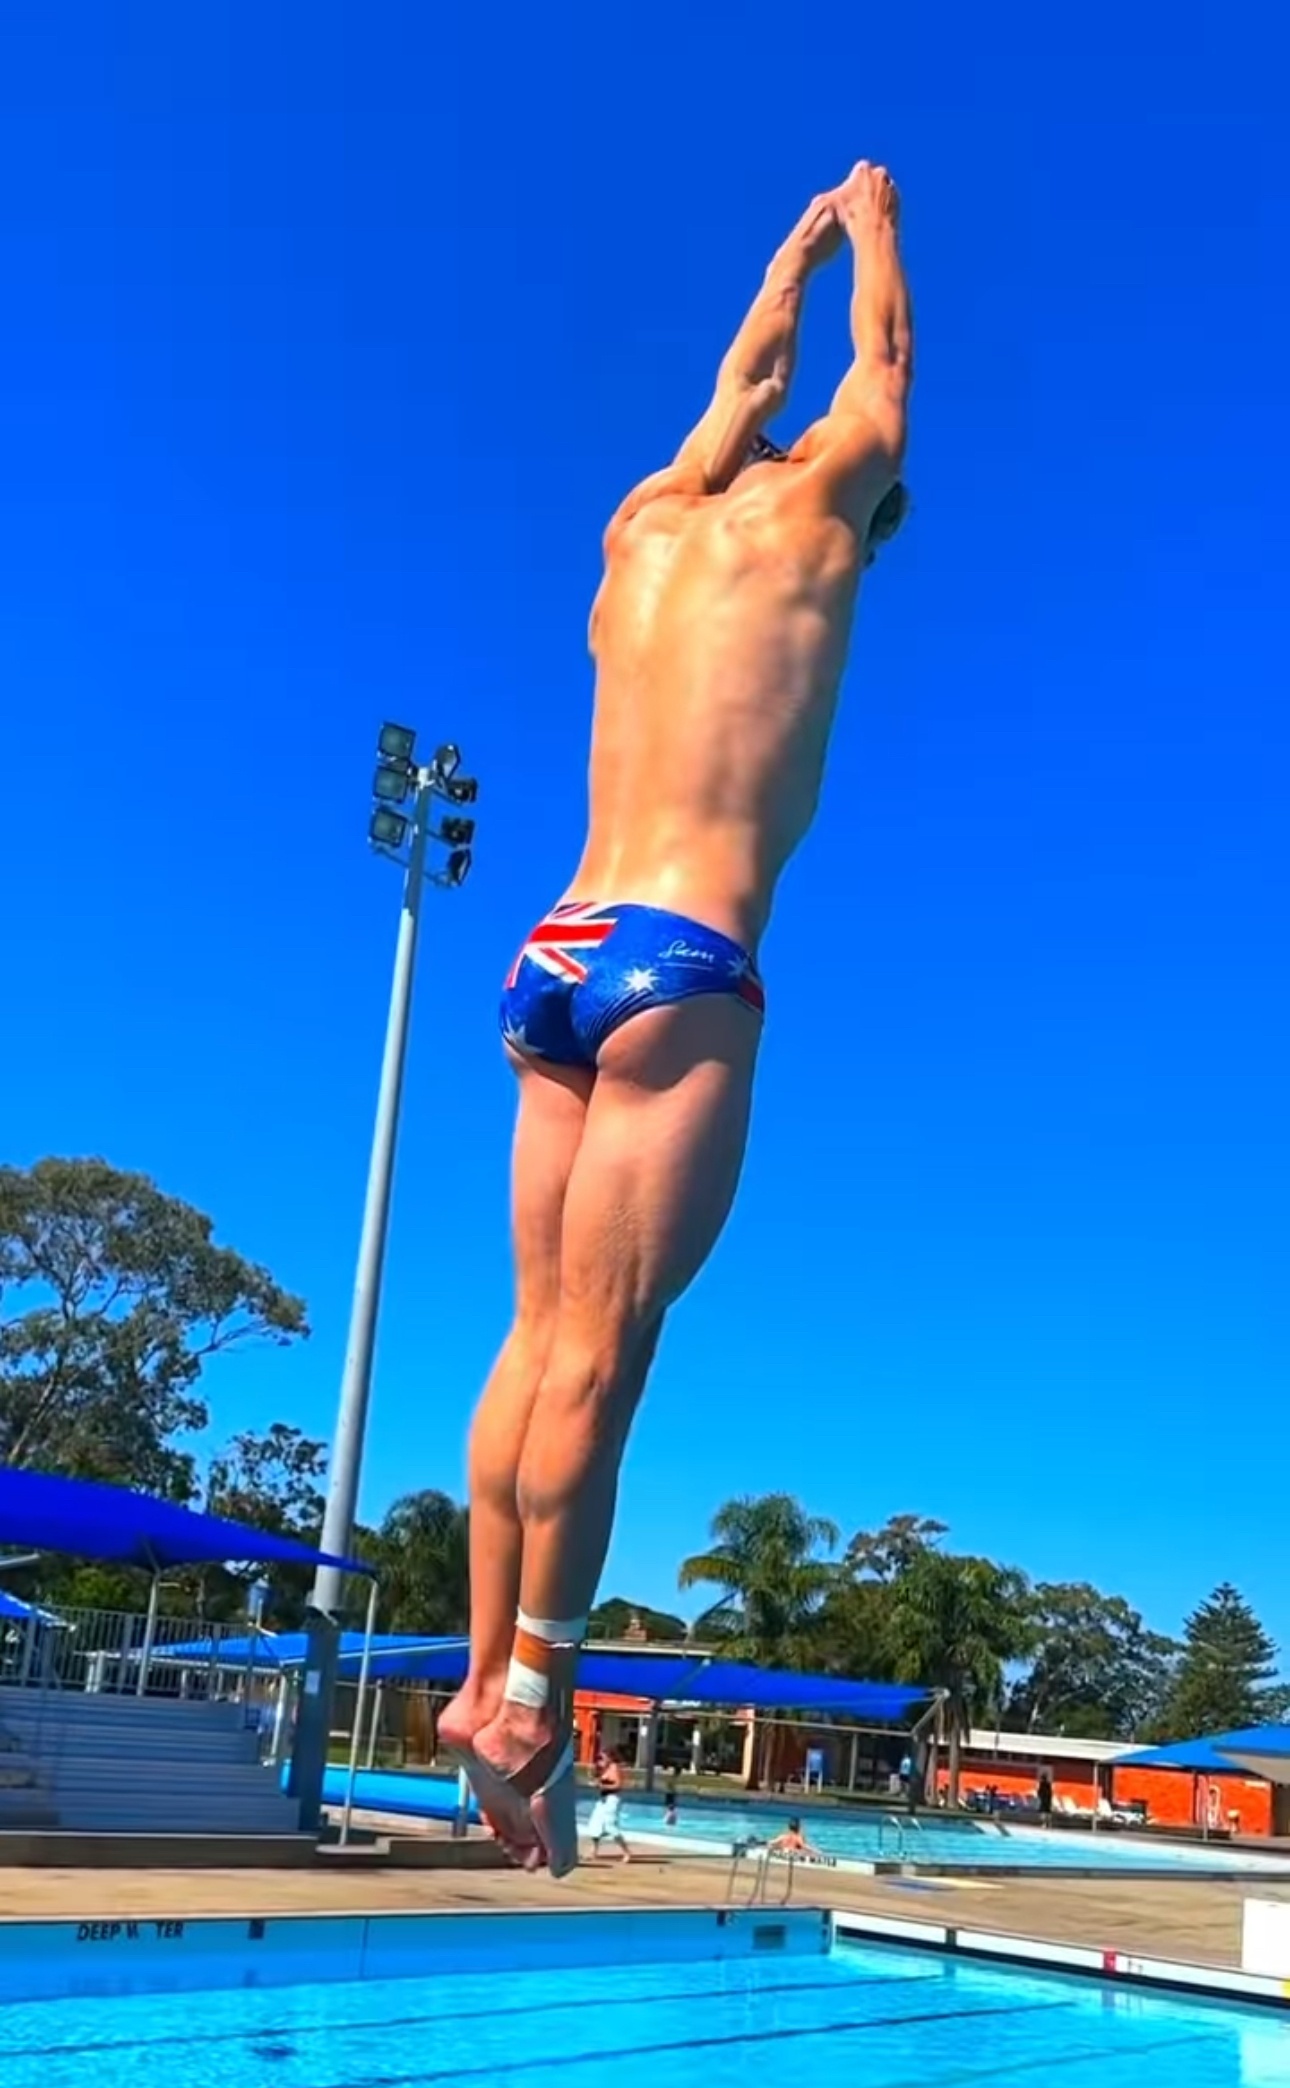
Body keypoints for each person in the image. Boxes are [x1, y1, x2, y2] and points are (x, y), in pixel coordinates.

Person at [439, 161, 914, 1877]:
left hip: (555, 945)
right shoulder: (824, 519)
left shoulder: (643, 524)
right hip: (680, 955)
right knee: (607, 1349)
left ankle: (476, 1676)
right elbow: (878, 375)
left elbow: (748, 383)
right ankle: (529, 1706)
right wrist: (879, 228)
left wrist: (791, 253)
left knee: (530, 1336)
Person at [586, 1746, 631, 1862]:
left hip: (612, 1799)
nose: (602, 1759)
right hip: (603, 1800)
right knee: (595, 1824)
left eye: (604, 1757)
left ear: (610, 1757)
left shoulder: (615, 1767)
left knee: (610, 1825)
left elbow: (618, 1785)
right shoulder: (605, 1768)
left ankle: (626, 1852)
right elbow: (598, 1778)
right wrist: (594, 1776)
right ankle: (593, 1851)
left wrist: (602, 1786)